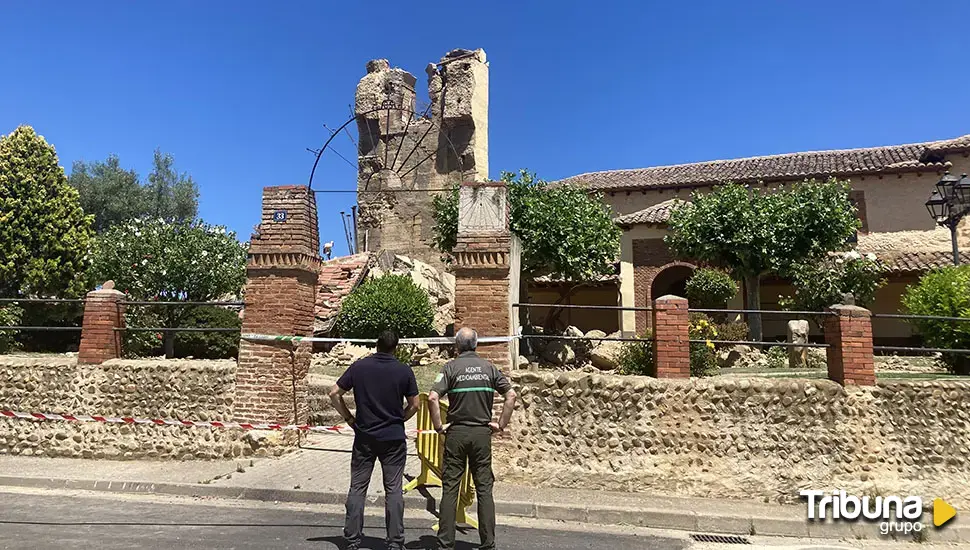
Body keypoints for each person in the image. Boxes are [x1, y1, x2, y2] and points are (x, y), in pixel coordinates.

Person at [329, 330, 419, 550]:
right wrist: (400, 419)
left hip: (364, 437)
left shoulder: (359, 367)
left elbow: (334, 393)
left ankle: (352, 538)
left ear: (376, 345)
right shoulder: (404, 371)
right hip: (393, 438)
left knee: (358, 487)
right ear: (395, 348)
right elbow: (415, 404)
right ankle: (395, 541)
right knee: (394, 489)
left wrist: (349, 418)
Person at [429, 327, 517, 550]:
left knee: (450, 488)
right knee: (484, 489)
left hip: (456, 433)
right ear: (476, 344)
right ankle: (488, 543)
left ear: (457, 346)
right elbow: (511, 395)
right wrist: (501, 424)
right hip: (481, 433)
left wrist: (439, 426)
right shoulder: (489, 368)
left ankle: (445, 543)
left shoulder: (450, 368)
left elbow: (432, 398)